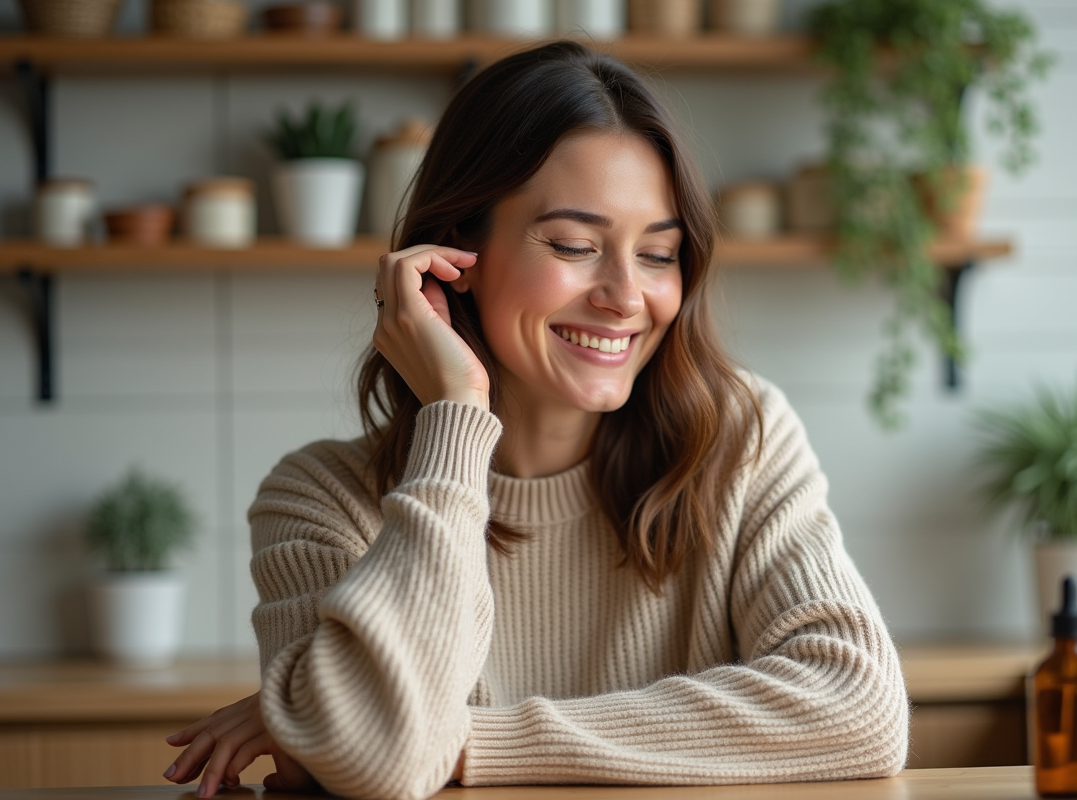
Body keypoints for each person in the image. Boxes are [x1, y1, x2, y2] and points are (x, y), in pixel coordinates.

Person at [163, 40, 909, 800]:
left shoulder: (739, 440)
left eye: (658, 255)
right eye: (574, 246)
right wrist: (454, 417)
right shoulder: (320, 498)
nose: (625, 296)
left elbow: (861, 708)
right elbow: (379, 759)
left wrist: (447, 738)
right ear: (456, 252)